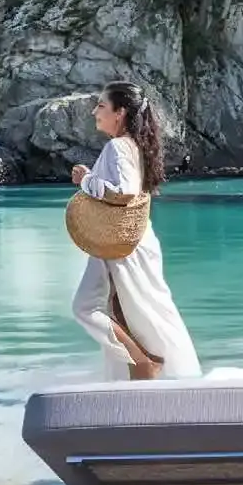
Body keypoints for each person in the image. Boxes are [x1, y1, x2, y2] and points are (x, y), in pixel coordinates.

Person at [71, 81, 200, 381]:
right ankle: (146, 372)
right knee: (133, 311)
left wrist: (86, 180)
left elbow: (125, 192)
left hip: (119, 242)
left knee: (86, 307)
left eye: (101, 105)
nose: (94, 112)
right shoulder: (132, 145)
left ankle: (142, 363)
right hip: (128, 239)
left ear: (120, 112)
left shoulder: (118, 147)